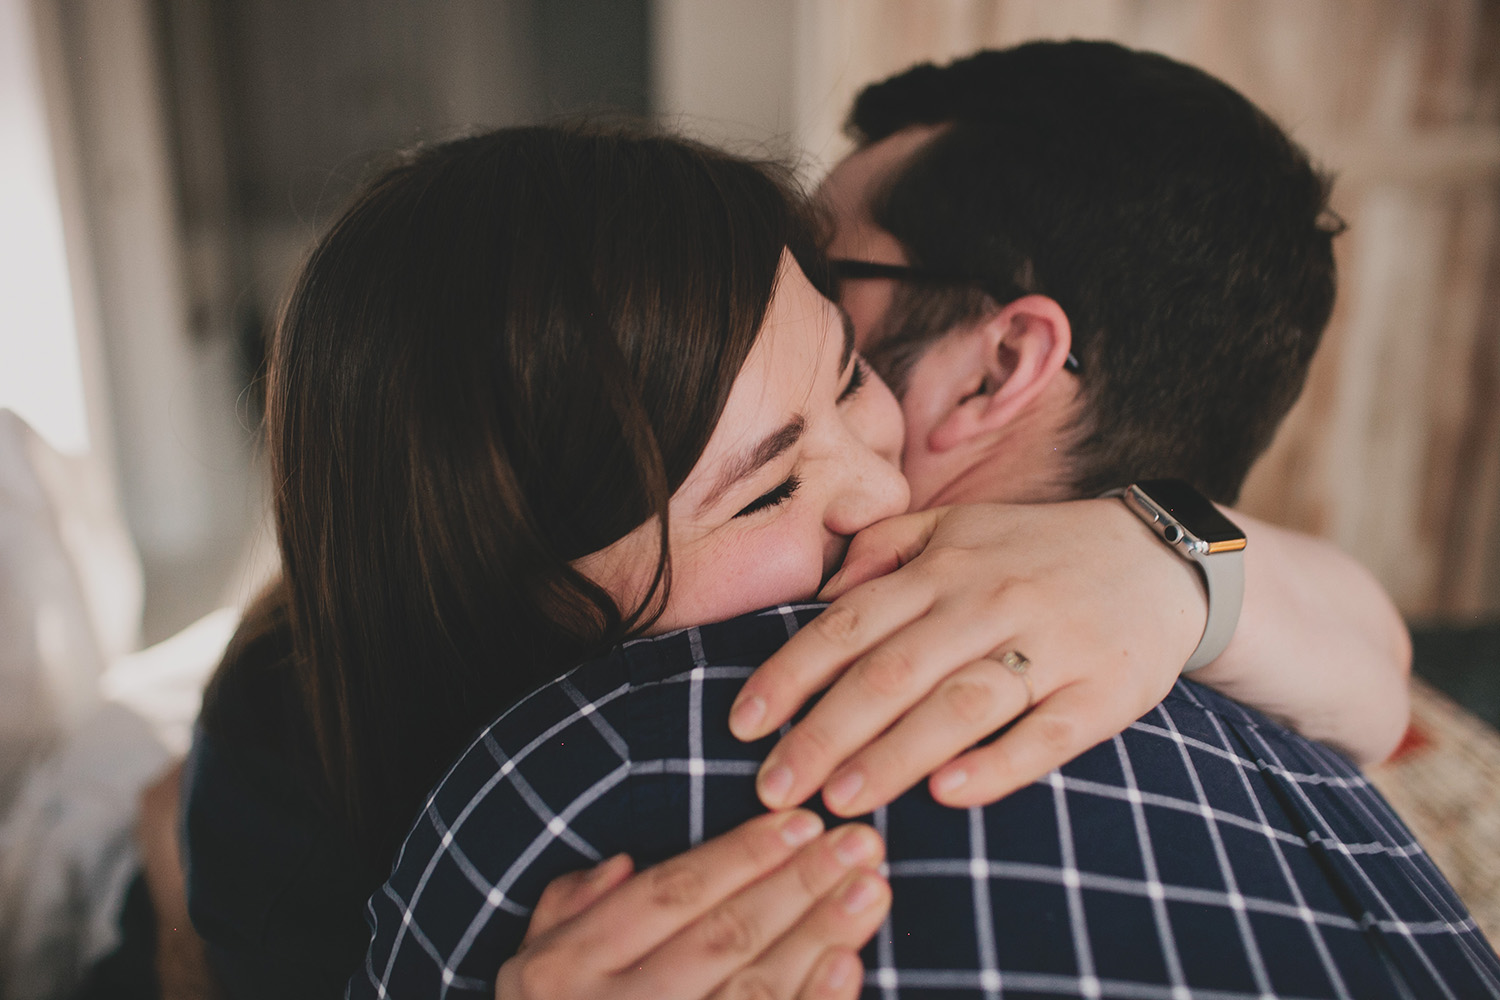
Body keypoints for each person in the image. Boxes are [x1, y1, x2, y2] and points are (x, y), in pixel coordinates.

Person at [352, 45, 1500, 997]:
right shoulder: (1271, 683)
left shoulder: (585, 762)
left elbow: (1380, 669)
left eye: (829, 275)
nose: (763, 286)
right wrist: (1173, 556)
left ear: (1000, 365)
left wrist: (1167, 559)